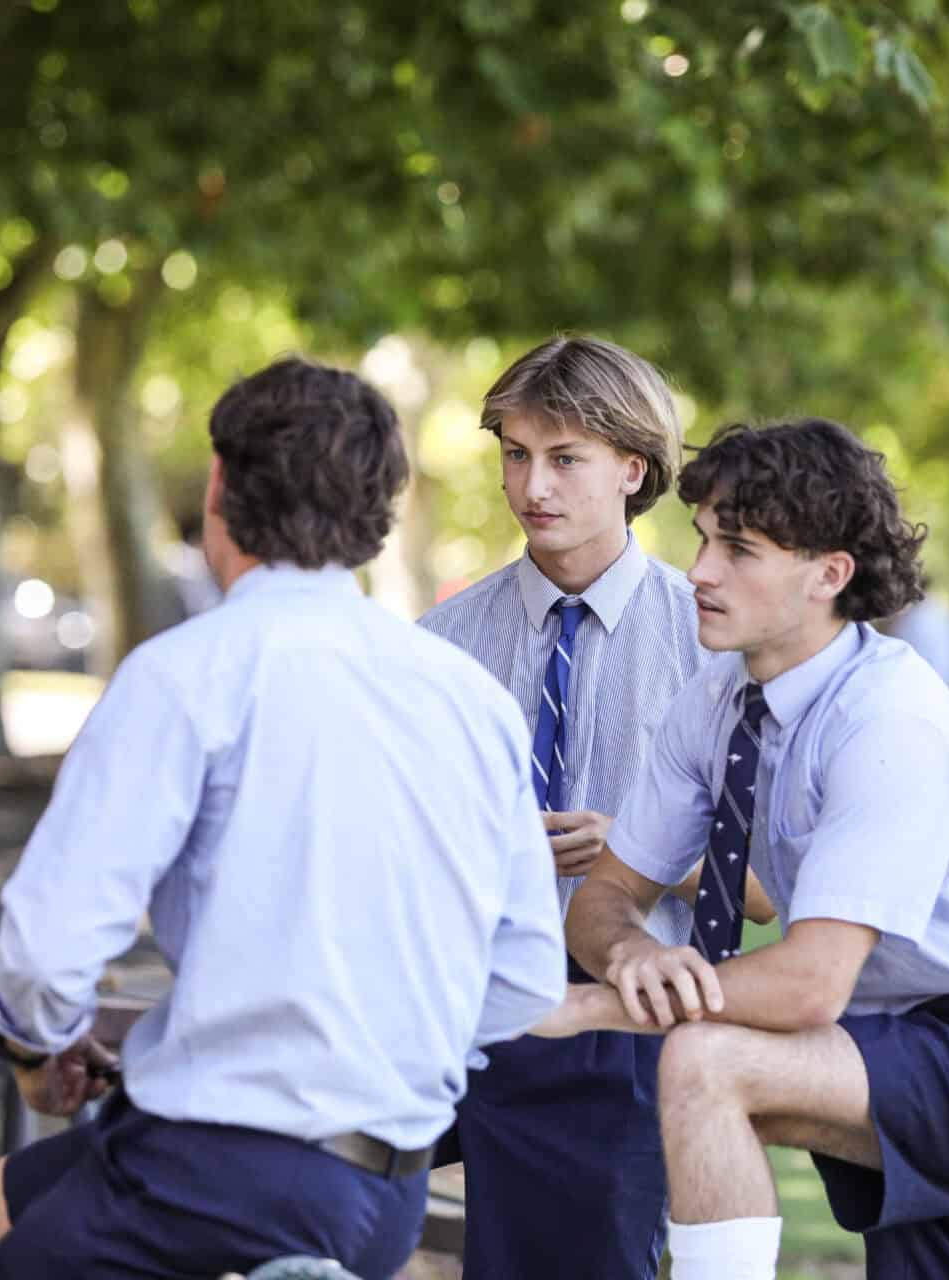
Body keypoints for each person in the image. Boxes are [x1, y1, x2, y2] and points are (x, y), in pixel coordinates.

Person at [0, 358, 568, 1280]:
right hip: (385, 1184)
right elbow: (524, 976)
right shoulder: (470, 699)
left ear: (219, 488)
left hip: (214, 1174)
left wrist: (38, 1051)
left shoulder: (187, 672)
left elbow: (45, 952)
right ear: (380, 512)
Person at [547, 419, 949, 1280]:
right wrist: (631, 957)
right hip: (891, 1038)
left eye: (739, 550)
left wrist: (593, 1007)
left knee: (705, 1062)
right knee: (696, 1059)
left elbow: (810, 983)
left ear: (829, 575)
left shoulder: (888, 719)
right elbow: (603, 899)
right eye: (703, 539)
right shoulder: (715, 702)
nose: (699, 572)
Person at [417, 336, 771, 1280]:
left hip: (623, 1023)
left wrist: (634, 856)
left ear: (633, 469)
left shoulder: (715, 648)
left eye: (565, 458)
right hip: (455, 1004)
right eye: (515, 454)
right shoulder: (439, 646)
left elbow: (769, 891)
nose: (533, 485)